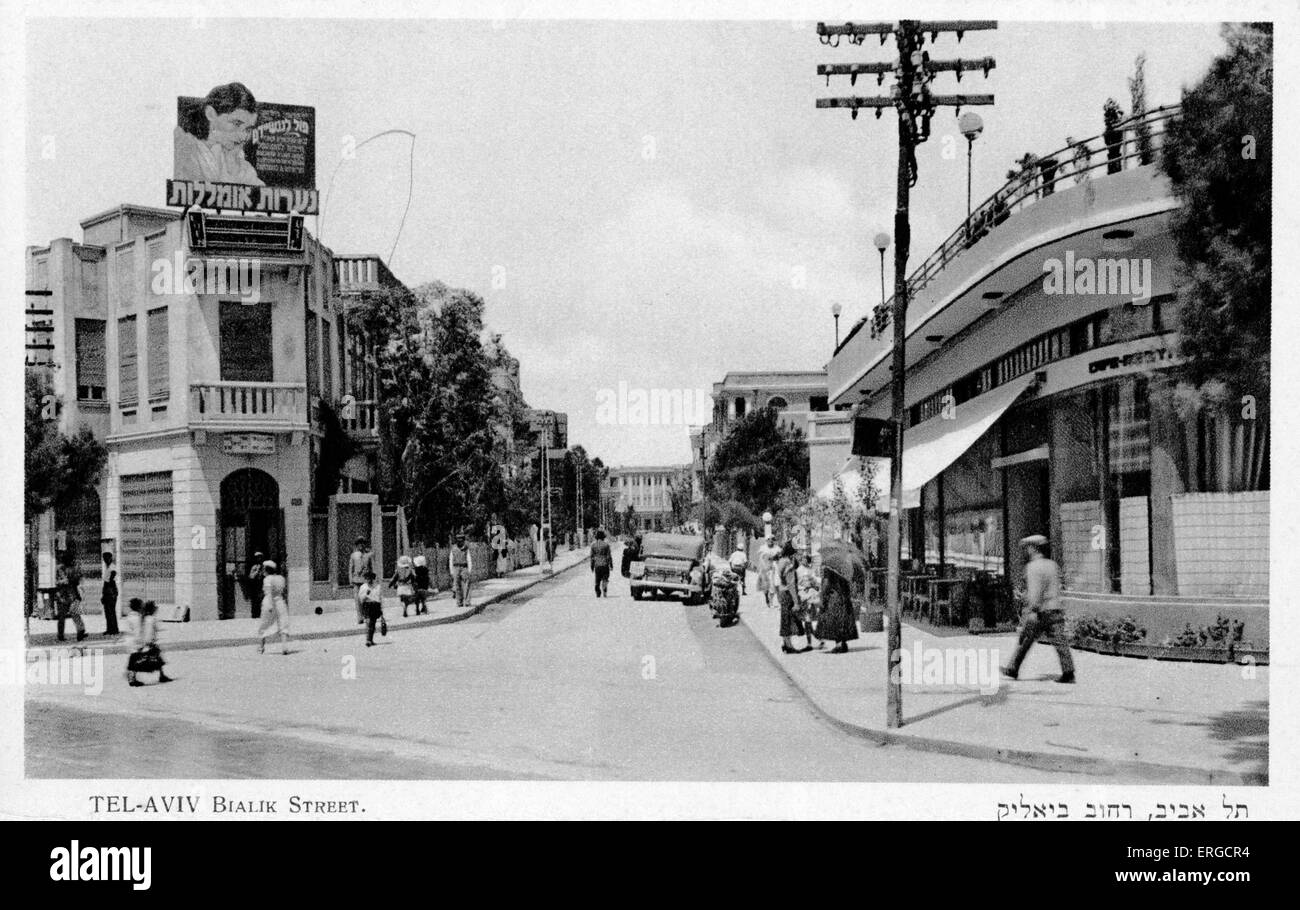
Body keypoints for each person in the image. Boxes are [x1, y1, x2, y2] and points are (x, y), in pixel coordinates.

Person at [1001, 535, 1076, 683]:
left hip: (1040, 611)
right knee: (1060, 641)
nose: (1026, 551)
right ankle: (1068, 672)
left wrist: (1032, 610)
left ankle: (1012, 669)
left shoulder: (1032, 567)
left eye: (1028, 548)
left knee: (1025, 640)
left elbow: (1035, 592)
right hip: (1055, 608)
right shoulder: (1052, 565)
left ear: (1033, 549)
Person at [173, 82, 264, 186]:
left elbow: (260, 191)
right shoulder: (181, 143)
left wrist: (232, 164)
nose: (243, 136)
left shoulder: (234, 155)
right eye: (236, 123)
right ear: (210, 114)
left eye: (247, 129)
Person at [816, 563, 861, 655]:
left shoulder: (829, 568)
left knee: (835, 621)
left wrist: (822, 598)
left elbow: (826, 584)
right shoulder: (846, 567)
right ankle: (843, 643)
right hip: (844, 597)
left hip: (834, 598)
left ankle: (839, 645)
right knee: (843, 620)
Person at [126, 598, 171, 686]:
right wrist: (145, 641)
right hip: (138, 642)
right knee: (135, 660)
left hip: (135, 641)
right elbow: (141, 631)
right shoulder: (139, 618)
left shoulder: (132, 616)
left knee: (155, 657)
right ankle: (132, 679)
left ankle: (161, 675)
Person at [776, 541, 809, 654]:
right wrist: (796, 602)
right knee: (788, 620)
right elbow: (791, 584)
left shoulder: (781, 561)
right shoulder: (788, 564)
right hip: (788, 593)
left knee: (785, 618)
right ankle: (789, 646)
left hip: (782, 592)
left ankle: (786, 643)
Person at [255, 560, 290, 655]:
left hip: (269, 603)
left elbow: (269, 593)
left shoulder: (267, 579)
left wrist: (270, 605)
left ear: (267, 570)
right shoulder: (281, 578)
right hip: (280, 602)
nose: (263, 571)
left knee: (264, 624)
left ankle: (261, 647)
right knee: (283, 623)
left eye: (264, 569)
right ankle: (284, 646)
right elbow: (283, 591)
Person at [54, 552, 87, 643]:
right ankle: (79, 630)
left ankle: (63, 634)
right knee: (73, 614)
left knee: (65, 615)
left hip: (66, 595)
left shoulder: (66, 569)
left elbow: (60, 582)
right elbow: (76, 582)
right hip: (67, 595)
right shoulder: (64, 569)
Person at [797, 554, 823, 650]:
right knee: (807, 621)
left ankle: (809, 644)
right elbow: (796, 583)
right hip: (803, 596)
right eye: (803, 559)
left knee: (808, 620)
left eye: (807, 559)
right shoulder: (798, 570)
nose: (805, 560)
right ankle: (819, 639)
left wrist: (816, 586)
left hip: (811, 596)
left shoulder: (811, 570)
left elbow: (816, 582)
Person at [358, 569, 387, 647]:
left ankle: (371, 639)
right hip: (367, 605)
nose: (369, 580)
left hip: (375, 606)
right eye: (367, 579)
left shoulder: (377, 587)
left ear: (373, 579)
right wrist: (366, 594)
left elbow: (380, 598)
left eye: (370, 579)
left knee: (373, 623)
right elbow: (361, 599)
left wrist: (381, 608)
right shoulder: (363, 587)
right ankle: (368, 640)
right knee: (368, 622)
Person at [348, 538, 373, 625]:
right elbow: (350, 568)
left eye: (363, 543)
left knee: (365, 598)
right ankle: (360, 617)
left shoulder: (368, 555)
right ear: (357, 545)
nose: (361, 545)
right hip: (356, 580)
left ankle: (366, 615)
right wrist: (350, 579)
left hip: (365, 580)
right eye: (359, 544)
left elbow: (371, 568)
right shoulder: (353, 555)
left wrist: (371, 579)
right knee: (357, 600)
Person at [756, 536, 781, 609]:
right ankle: (767, 598)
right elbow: (760, 558)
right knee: (766, 586)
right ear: (766, 541)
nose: (770, 541)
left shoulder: (777, 548)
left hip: (775, 569)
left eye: (772, 540)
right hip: (765, 569)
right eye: (769, 540)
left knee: (775, 585)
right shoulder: (763, 548)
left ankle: (773, 602)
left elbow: (780, 556)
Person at [449, 533, 473, 609]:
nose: (460, 542)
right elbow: (451, 559)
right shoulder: (453, 548)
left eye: (461, 540)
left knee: (466, 584)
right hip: (456, 567)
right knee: (457, 585)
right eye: (458, 541)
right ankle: (459, 602)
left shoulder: (466, 548)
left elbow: (469, 559)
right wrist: (451, 571)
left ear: (463, 541)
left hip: (464, 567)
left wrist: (469, 570)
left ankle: (467, 601)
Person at [100, 552, 120, 636]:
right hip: (108, 591)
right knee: (108, 611)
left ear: (110, 558)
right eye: (104, 558)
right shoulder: (108, 567)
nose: (105, 560)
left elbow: (110, 581)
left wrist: (108, 593)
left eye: (107, 558)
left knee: (111, 610)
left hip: (110, 591)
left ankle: (114, 629)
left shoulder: (112, 568)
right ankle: (110, 629)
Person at [589, 529, 613, 597]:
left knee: (597, 578)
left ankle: (597, 589)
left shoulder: (593, 545)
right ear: (603, 537)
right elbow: (609, 556)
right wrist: (611, 564)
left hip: (597, 564)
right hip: (605, 564)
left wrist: (592, 566)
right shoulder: (606, 545)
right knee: (605, 577)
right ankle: (604, 585)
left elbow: (592, 557)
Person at [245, 551, 265, 619]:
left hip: (262, 585)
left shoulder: (264, 566)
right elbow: (251, 576)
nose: (259, 559)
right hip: (256, 585)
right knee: (255, 600)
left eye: (260, 557)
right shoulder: (254, 567)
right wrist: (256, 571)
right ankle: (255, 614)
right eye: (257, 558)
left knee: (263, 600)